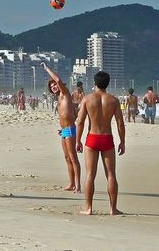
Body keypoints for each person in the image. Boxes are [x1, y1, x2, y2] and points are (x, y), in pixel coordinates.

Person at [76, 71, 125, 215]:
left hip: (92, 138)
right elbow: (120, 124)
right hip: (107, 138)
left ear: (95, 83)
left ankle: (88, 208)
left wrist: (78, 140)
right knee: (111, 175)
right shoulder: (113, 100)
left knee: (90, 174)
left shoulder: (87, 99)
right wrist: (122, 142)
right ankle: (113, 208)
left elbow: (80, 121)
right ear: (108, 83)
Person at [41, 62, 81, 192]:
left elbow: (58, 80)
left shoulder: (65, 93)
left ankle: (78, 185)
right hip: (64, 130)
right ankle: (71, 183)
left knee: (73, 157)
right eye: (51, 86)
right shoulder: (59, 99)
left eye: (54, 85)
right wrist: (63, 128)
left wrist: (47, 69)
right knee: (67, 158)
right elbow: (72, 114)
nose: (53, 86)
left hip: (69, 130)